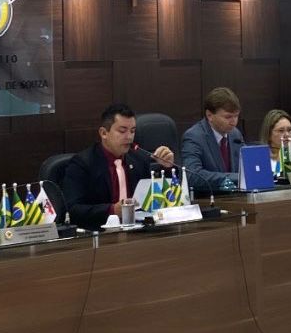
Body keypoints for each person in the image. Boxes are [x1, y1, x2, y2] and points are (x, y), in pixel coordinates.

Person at [62, 102, 174, 230]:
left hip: (138, 230)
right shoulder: (82, 163)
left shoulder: (139, 159)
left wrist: (167, 168)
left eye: (132, 131)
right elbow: (73, 210)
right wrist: (112, 210)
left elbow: (157, 197)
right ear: (104, 133)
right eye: (122, 131)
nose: (129, 137)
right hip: (100, 232)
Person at [181, 87, 244, 191]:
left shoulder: (235, 134)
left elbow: (245, 167)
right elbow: (192, 176)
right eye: (228, 117)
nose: (234, 122)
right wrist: (237, 178)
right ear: (209, 115)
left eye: (236, 116)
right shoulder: (194, 137)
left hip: (236, 196)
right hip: (207, 198)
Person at [259, 109, 291, 176]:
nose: (287, 135)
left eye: (289, 130)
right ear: (269, 134)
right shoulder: (259, 161)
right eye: (281, 131)